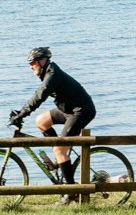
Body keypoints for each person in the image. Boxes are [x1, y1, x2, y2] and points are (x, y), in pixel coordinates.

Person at [10, 46, 95, 198]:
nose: (31, 67)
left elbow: (39, 95)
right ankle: (59, 158)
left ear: (42, 62)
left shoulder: (52, 74)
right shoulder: (48, 72)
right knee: (41, 121)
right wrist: (22, 113)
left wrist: (21, 114)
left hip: (81, 111)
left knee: (59, 150)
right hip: (68, 110)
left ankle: (71, 192)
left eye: (33, 63)